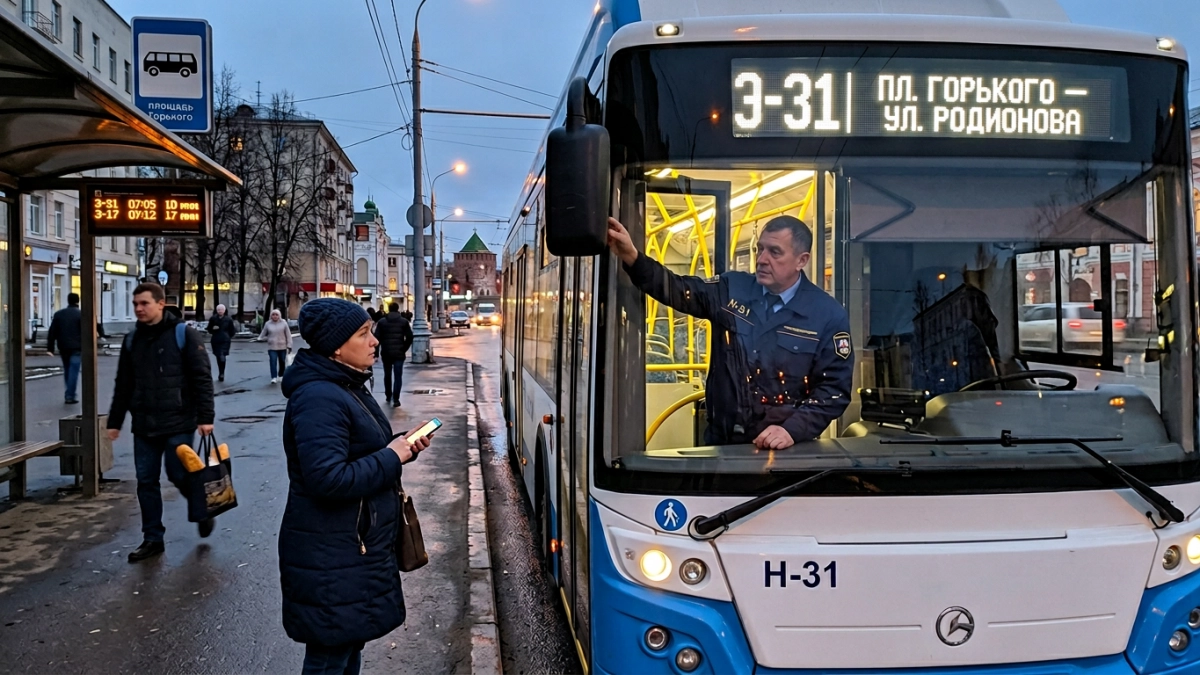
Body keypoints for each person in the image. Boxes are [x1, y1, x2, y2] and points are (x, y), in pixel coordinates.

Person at [278, 298, 433, 675]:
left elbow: (355, 451)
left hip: (350, 548)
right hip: (333, 552)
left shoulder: (344, 385)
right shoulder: (319, 397)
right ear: (335, 346)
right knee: (330, 656)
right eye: (363, 333)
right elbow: (327, 478)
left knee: (346, 648)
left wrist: (400, 445)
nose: (374, 340)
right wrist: (392, 456)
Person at [606, 215, 853, 449]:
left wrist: (792, 430)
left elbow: (833, 390)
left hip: (785, 449)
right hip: (722, 442)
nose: (762, 259)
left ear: (802, 260)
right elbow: (678, 289)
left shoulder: (826, 315)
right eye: (760, 249)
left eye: (775, 252)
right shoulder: (731, 289)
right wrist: (633, 257)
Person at [107, 282, 216, 562]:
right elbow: (124, 383)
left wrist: (206, 417)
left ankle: (200, 507)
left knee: (177, 473)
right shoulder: (133, 340)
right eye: (135, 304)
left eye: (144, 303)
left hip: (178, 421)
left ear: (160, 304)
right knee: (146, 481)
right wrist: (115, 421)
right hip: (144, 424)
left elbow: (202, 378)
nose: (139, 309)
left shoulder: (184, 335)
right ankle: (152, 538)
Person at [373, 302, 413, 408]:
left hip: (386, 352)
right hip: (399, 353)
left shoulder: (382, 322)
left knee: (387, 375)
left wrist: (376, 353)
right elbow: (409, 337)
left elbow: (376, 339)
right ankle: (396, 399)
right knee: (398, 376)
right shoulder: (403, 322)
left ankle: (388, 395)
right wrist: (404, 349)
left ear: (389, 309)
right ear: (398, 309)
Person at [46, 292, 83, 404]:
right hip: (77, 347)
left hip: (63, 347)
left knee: (67, 369)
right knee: (74, 371)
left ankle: (69, 393)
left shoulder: (59, 314)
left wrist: (50, 348)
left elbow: (52, 332)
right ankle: (70, 395)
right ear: (78, 301)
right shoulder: (81, 314)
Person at [259, 309, 293, 383]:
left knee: (282, 361)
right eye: (273, 315)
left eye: (276, 315)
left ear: (279, 316)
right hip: (272, 347)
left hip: (282, 346)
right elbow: (263, 334)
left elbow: (288, 335)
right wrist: (262, 338)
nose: (275, 316)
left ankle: (281, 375)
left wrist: (289, 345)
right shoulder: (268, 324)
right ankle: (273, 377)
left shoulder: (284, 323)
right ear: (271, 316)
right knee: (272, 361)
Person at [207, 304, 237, 382]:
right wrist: (213, 329)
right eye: (219, 310)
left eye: (222, 309)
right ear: (216, 310)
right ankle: (221, 372)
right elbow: (209, 329)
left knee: (222, 355)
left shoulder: (228, 319)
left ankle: (222, 373)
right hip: (216, 340)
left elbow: (232, 331)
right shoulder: (213, 319)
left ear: (224, 310)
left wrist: (227, 336)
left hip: (225, 340)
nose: (220, 311)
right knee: (218, 356)